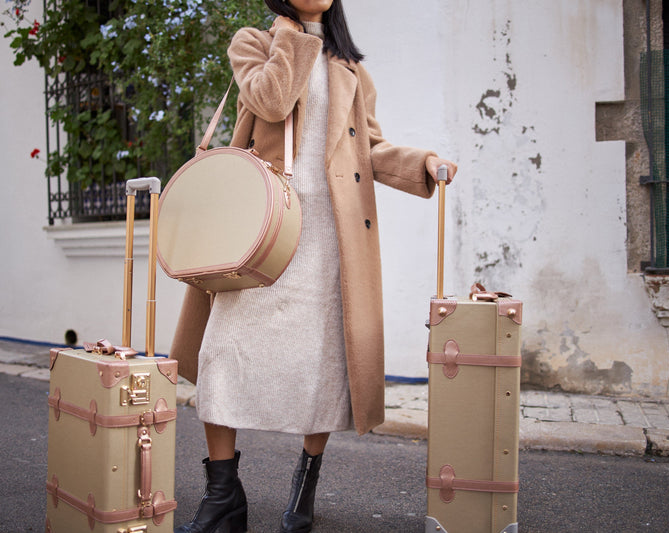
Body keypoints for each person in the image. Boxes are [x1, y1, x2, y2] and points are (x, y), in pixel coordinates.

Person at [171, 1, 457, 532]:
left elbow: (369, 149)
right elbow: (272, 100)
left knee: (321, 365)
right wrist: (292, 35)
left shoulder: (351, 70)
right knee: (223, 357)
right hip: (260, 232)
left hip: (329, 238)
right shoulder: (253, 43)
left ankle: (301, 496)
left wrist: (423, 163)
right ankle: (222, 498)